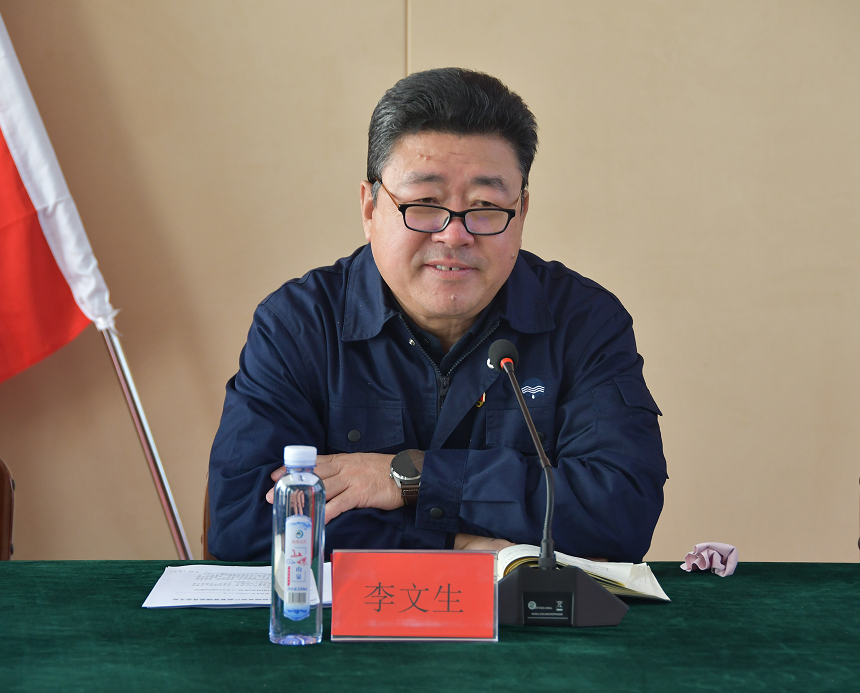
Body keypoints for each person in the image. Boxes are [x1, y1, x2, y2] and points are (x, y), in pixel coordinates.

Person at [207, 67, 667, 563]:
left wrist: (410, 477)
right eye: (424, 203)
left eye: (486, 205)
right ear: (370, 208)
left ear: (521, 212)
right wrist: (454, 546)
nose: (454, 235)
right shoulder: (299, 325)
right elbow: (244, 525)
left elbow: (620, 512)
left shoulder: (584, 322)